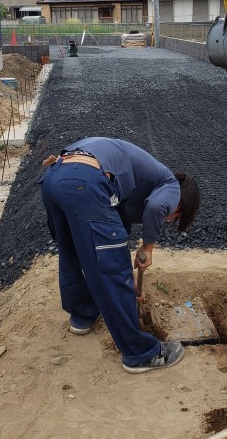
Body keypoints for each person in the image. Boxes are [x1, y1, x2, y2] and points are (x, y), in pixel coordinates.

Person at [40, 137, 201, 373]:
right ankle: (140, 353)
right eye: (174, 217)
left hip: (55, 178)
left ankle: (82, 316)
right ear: (180, 206)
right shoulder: (171, 185)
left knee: (72, 254)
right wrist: (147, 247)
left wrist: (127, 279)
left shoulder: (130, 186)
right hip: (85, 183)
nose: (169, 219)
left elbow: (115, 241)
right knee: (112, 271)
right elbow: (157, 208)